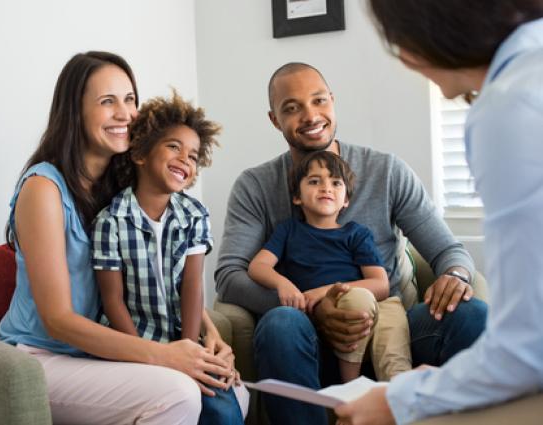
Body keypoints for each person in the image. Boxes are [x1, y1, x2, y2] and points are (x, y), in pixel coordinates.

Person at [214, 61, 488, 424]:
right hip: (303, 333)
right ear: (274, 119)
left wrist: (457, 275)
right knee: (281, 324)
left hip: (391, 324)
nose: (311, 115)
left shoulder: (387, 171)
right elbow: (230, 275)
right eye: (292, 108)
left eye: (319, 101)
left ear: (333, 101)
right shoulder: (256, 186)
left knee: (471, 314)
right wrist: (312, 307)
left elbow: (448, 251)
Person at [0, 51, 239, 425]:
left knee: (231, 391)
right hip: (38, 358)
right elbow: (58, 320)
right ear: (75, 112)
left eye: (130, 100)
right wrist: (165, 356)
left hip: (96, 355)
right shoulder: (43, 189)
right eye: (107, 101)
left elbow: (161, 279)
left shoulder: (120, 189)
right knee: (178, 394)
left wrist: (207, 339)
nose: (125, 113)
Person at [334, 1, 543, 424]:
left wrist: (406, 397)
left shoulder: (508, 107)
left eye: (394, 39)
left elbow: (526, 348)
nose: (401, 58)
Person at [91, 91, 248, 423]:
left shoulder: (194, 215)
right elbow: (112, 300)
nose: (184, 160)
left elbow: (192, 286)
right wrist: (144, 356)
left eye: (193, 155)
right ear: (141, 153)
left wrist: (190, 351)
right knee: (202, 399)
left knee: (222, 400)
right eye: (174, 147)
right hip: (131, 343)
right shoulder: (110, 221)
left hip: (183, 339)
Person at [248, 150, 411, 382]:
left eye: (336, 183)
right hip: (324, 317)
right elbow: (258, 266)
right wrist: (282, 284)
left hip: (372, 307)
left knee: (391, 342)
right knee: (356, 301)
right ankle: (349, 392)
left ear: (345, 200)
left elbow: (380, 284)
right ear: (297, 197)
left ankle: (396, 400)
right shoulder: (288, 230)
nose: (326, 188)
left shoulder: (356, 233)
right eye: (315, 181)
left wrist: (322, 292)